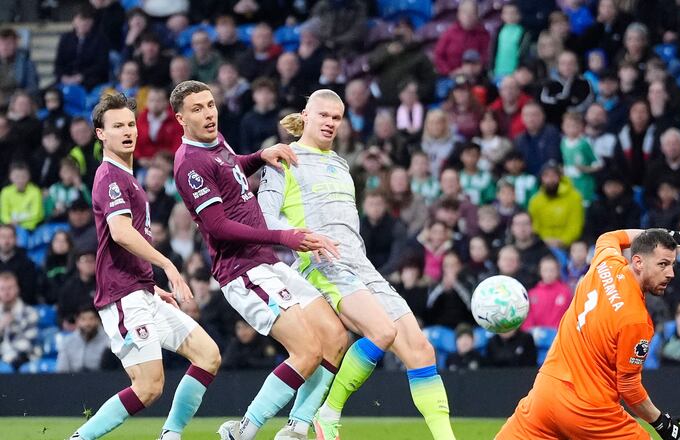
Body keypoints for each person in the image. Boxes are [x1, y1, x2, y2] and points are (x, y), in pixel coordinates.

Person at [262, 89, 456, 440]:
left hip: (360, 263)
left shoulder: (340, 163)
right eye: (323, 115)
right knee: (381, 331)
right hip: (321, 262)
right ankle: (328, 415)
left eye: (337, 118)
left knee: (421, 350)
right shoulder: (284, 160)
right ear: (305, 115)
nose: (331, 123)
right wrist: (300, 239)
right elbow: (264, 220)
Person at [168, 81, 348, 440]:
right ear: (180, 119)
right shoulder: (190, 164)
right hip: (242, 270)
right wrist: (284, 237)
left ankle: (297, 428)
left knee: (336, 337)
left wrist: (257, 157)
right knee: (308, 350)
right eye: (197, 109)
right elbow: (218, 227)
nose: (208, 113)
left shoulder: (216, 140)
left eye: (210, 105)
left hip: (267, 261)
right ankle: (243, 431)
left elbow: (230, 168)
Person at [68, 93, 221, 440]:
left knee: (208, 355)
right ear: (100, 134)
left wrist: (149, 285)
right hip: (123, 297)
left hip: (140, 291)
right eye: (117, 126)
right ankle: (81, 437)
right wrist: (167, 265)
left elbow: (126, 245)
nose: (127, 131)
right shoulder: (109, 176)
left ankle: (171, 434)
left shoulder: (129, 176)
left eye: (129, 124)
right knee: (149, 386)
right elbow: (121, 234)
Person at [497, 228, 680, 440]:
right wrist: (661, 423)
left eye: (672, 265)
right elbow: (629, 387)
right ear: (638, 262)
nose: (670, 273)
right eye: (662, 264)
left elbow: (609, 237)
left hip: (545, 395)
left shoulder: (605, 264)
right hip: (590, 412)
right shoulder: (636, 321)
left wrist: (659, 232)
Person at [0, 271, 38, 370]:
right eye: (2, 289)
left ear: (17, 289)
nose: (6, 293)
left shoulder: (30, 312)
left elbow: (28, 342)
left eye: (10, 288)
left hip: (21, 359)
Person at [56, 304, 109, 373]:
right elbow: (62, 371)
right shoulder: (67, 342)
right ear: (77, 321)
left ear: (98, 320)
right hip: (73, 380)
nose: (88, 323)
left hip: (102, 380)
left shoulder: (108, 341)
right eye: (83, 319)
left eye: (91, 319)